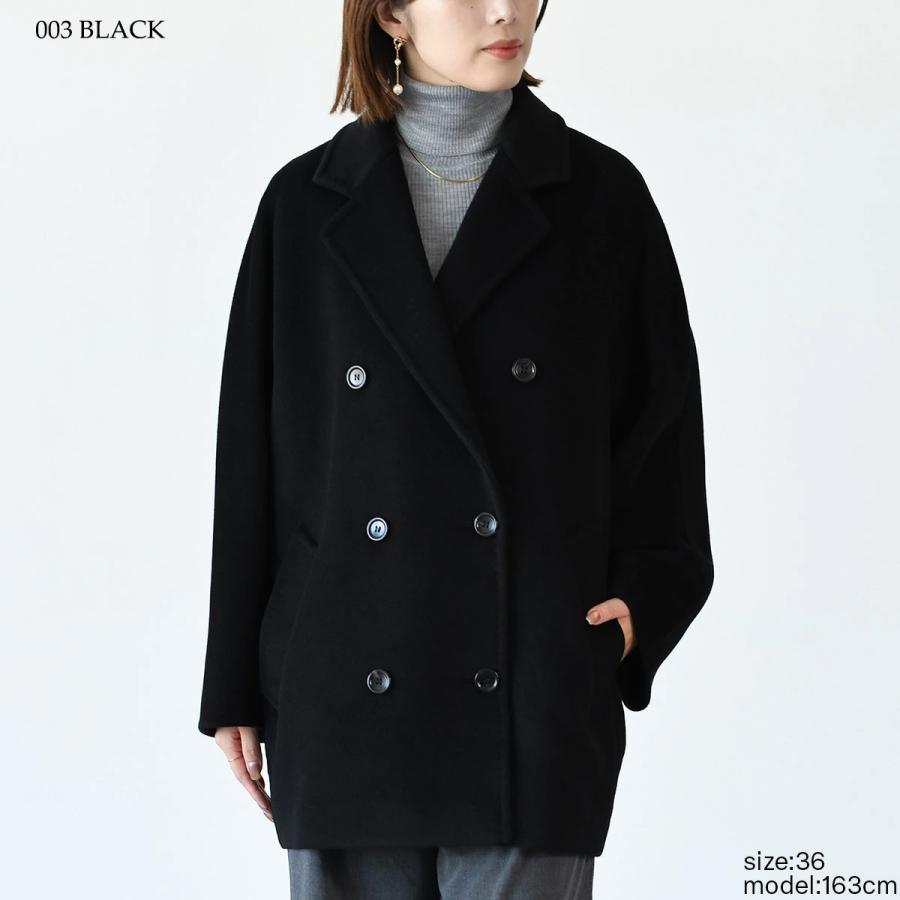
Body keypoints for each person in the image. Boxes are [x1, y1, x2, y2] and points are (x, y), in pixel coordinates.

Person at [197, 1, 714, 897]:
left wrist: (642, 601)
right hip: (345, 682)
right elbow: (251, 459)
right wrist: (232, 683)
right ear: (392, 13)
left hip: (531, 689)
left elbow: (663, 431)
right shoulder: (303, 203)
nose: (506, 11)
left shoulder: (602, 197)